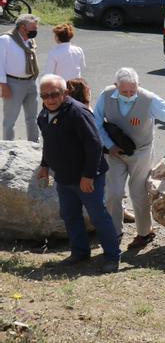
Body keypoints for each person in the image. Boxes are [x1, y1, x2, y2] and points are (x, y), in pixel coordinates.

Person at [36, 74, 120, 273]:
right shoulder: (44, 114)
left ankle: (112, 257)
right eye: (45, 95)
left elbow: (94, 145)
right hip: (64, 177)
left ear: (64, 93)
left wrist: (88, 175)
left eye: (55, 94)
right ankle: (80, 252)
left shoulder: (78, 113)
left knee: (98, 216)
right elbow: (49, 143)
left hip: (87, 177)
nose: (50, 99)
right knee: (70, 215)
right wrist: (44, 165)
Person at [94, 67, 165, 250]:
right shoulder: (106, 95)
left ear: (138, 86)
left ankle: (144, 232)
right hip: (114, 153)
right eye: (124, 91)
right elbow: (96, 122)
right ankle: (115, 232)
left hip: (141, 152)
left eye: (132, 90)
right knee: (113, 193)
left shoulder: (148, 99)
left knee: (139, 193)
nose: (128, 94)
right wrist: (109, 145)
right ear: (115, 86)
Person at [0, 14, 41, 142]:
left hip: (31, 82)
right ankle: (8, 147)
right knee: (10, 120)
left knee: (32, 117)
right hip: (13, 83)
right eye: (33, 28)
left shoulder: (29, 40)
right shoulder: (5, 40)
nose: (36, 30)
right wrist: (3, 85)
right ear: (22, 27)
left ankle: (34, 144)